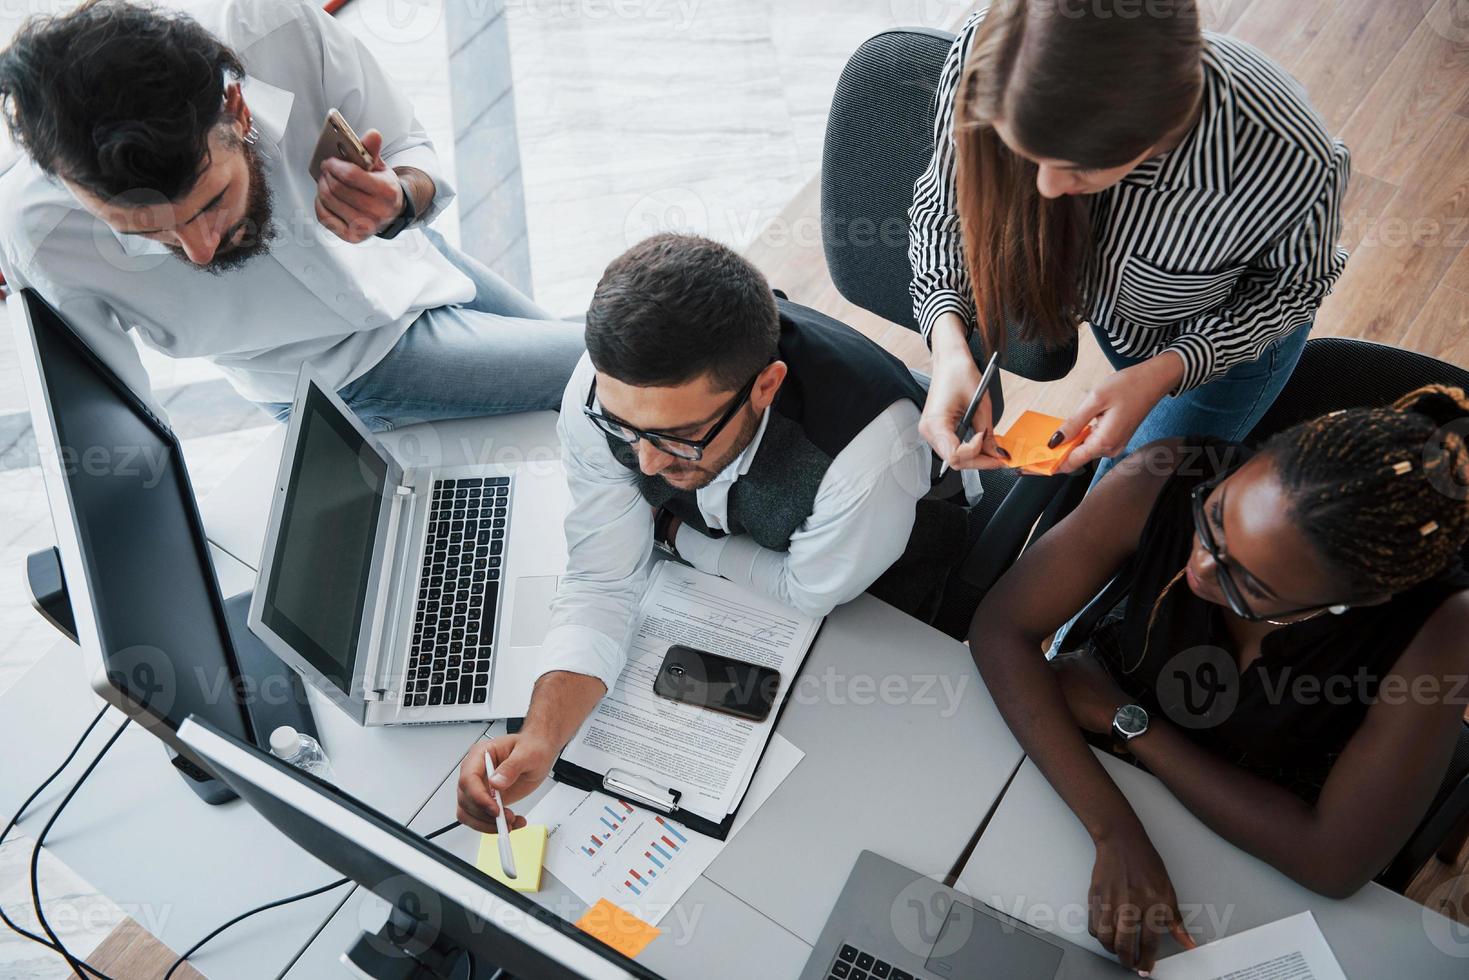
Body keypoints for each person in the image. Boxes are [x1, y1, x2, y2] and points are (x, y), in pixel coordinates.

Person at [453, 233, 967, 833]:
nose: (644, 464)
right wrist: (539, 736)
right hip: (734, 580)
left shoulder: (869, 456)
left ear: (766, 387)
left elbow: (809, 590)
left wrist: (672, 533)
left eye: (678, 437)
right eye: (623, 429)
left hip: (887, 582)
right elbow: (602, 579)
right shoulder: (605, 394)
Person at [969, 387, 1469, 973]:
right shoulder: (1169, 471)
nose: (1200, 567)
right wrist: (1114, 831)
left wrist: (1129, 722)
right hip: (1081, 776)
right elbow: (1001, 629)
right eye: (1214, 516)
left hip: (1252, 848)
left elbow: (1333, 863)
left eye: (1248, 584)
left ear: (1358, 601)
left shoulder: (1437, 627)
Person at [0, 0, 582, 430]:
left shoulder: (278, 29)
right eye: (146, 232)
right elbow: (117, 417)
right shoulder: (40, 235)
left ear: (236, 110)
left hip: (411, 263)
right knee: (606, 372)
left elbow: (408, 148)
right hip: (333, 376)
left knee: (615, 366)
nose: (200, 250)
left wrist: (402, 198)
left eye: (210, 202)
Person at [910, 0, 1349, 479]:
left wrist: (1164, 372)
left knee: (1120, 508)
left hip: (1222, 350)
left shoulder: (1286, 155)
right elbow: (945, 208)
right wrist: (949, 346)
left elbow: (1294, 289)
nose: (1047, 188)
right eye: (1024, 154)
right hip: (1130, 323)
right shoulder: (991, 54)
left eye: (1079, 167)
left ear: (1163, 127)